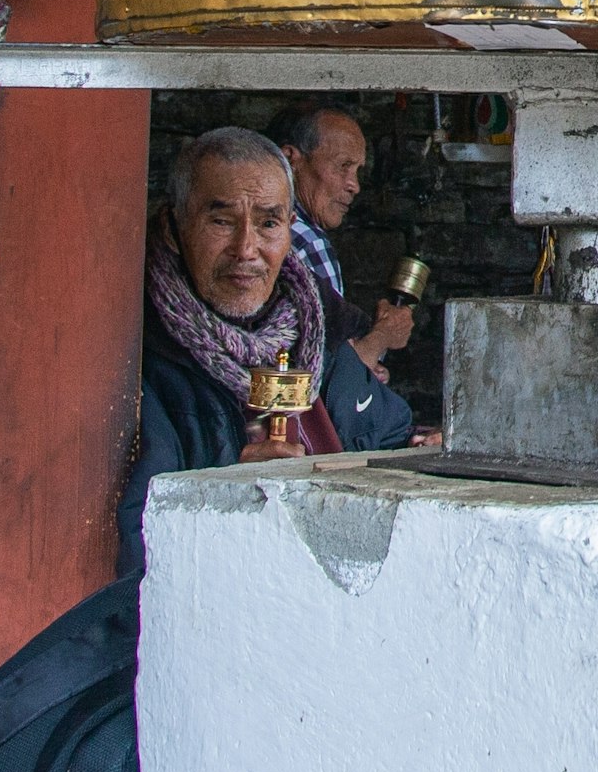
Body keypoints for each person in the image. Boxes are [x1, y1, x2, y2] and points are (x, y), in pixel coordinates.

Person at [116, 123, 412, 575]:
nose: (246, 249)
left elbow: (387, 429)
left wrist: (418, 451)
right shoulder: (137, 355)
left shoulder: (319, 332)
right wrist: (230, 487)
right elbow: (142, 546)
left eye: (268, 223)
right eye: (221, 221)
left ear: (290, 229)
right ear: (174, 229)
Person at [284, 108, 420, 454]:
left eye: (357, 171)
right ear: (291, 160)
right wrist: (380, 339)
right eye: (343, 166)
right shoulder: (303, 240)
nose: (354, 185)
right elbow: (320, 380)